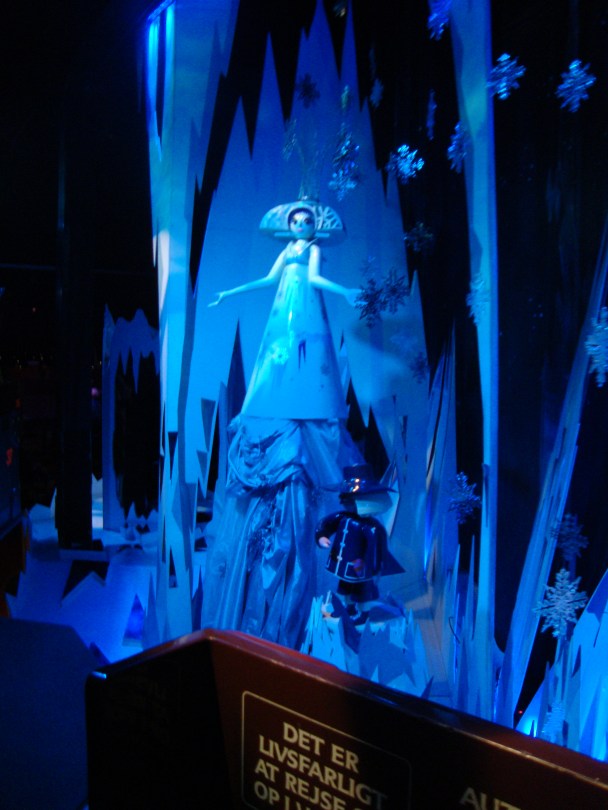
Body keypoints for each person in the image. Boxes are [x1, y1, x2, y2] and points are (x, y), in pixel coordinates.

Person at [202, 200, 362, 649]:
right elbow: (267, 280)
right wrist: (228, 294)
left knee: (305, 376)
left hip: (308, 323)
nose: (301, 225)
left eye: (306, 220)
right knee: (276, 367)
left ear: (314, 225)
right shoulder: (289, 251)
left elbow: (315, 279)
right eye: (296, 221)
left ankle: (300, 608)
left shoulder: (311, 252)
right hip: (283, 323)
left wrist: (345, 291)